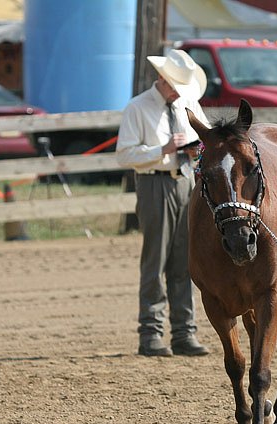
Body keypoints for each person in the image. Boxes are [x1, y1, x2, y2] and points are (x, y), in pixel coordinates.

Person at [116, 49, 210, 357]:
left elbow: (206, 139)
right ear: (161, 79)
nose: (178, 92)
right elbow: (125, 155)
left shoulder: (187, 102)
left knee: (186, 260)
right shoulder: (138, 108)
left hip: (187, 182)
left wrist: (197, 150)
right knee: (155, 261)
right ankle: (151, 333)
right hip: (155, 183)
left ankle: (184, 332)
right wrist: (164, 149)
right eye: (174, 85)